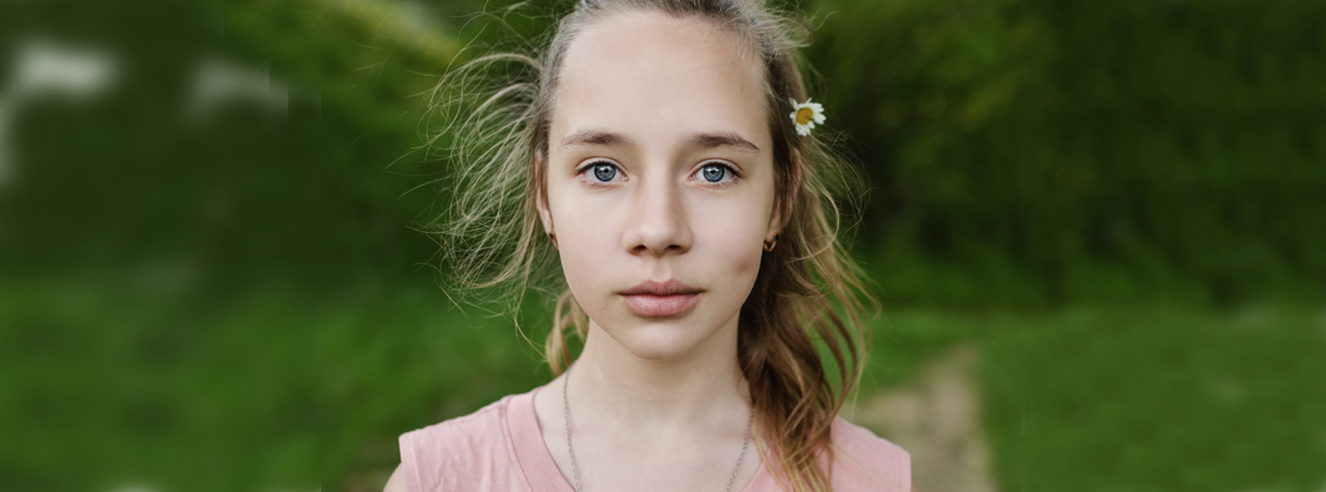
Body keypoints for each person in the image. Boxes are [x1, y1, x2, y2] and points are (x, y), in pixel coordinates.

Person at [385, 0, 911, 490]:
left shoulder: (872, 480)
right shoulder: (440, 479)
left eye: (714, 171)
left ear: (779, 201)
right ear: (543, 195)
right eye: (604, 169)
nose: (658, 230)